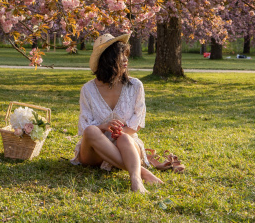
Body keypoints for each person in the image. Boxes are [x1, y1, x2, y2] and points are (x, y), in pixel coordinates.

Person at [70, 33, 183, 193]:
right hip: (94, 151)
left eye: (126, 55)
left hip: (126, 145)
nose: (125, 59)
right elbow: (84, 127)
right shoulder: (88, 89)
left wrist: (121, 132)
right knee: (91, 130)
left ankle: (136, 180)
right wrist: (104, 126)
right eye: (120, 55)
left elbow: (137, 123)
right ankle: (143, 172)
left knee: (124, 138)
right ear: (107, 59)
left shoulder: (135, 86)